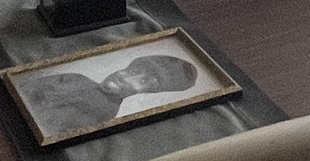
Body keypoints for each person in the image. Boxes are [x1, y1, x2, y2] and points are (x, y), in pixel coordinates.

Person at [15, 53, 199, 138]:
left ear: (146, 92)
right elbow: (22, 88)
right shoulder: (76, 78)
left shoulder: (103, 114)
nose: (125, 77)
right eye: (133, 70)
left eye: (143, 81)